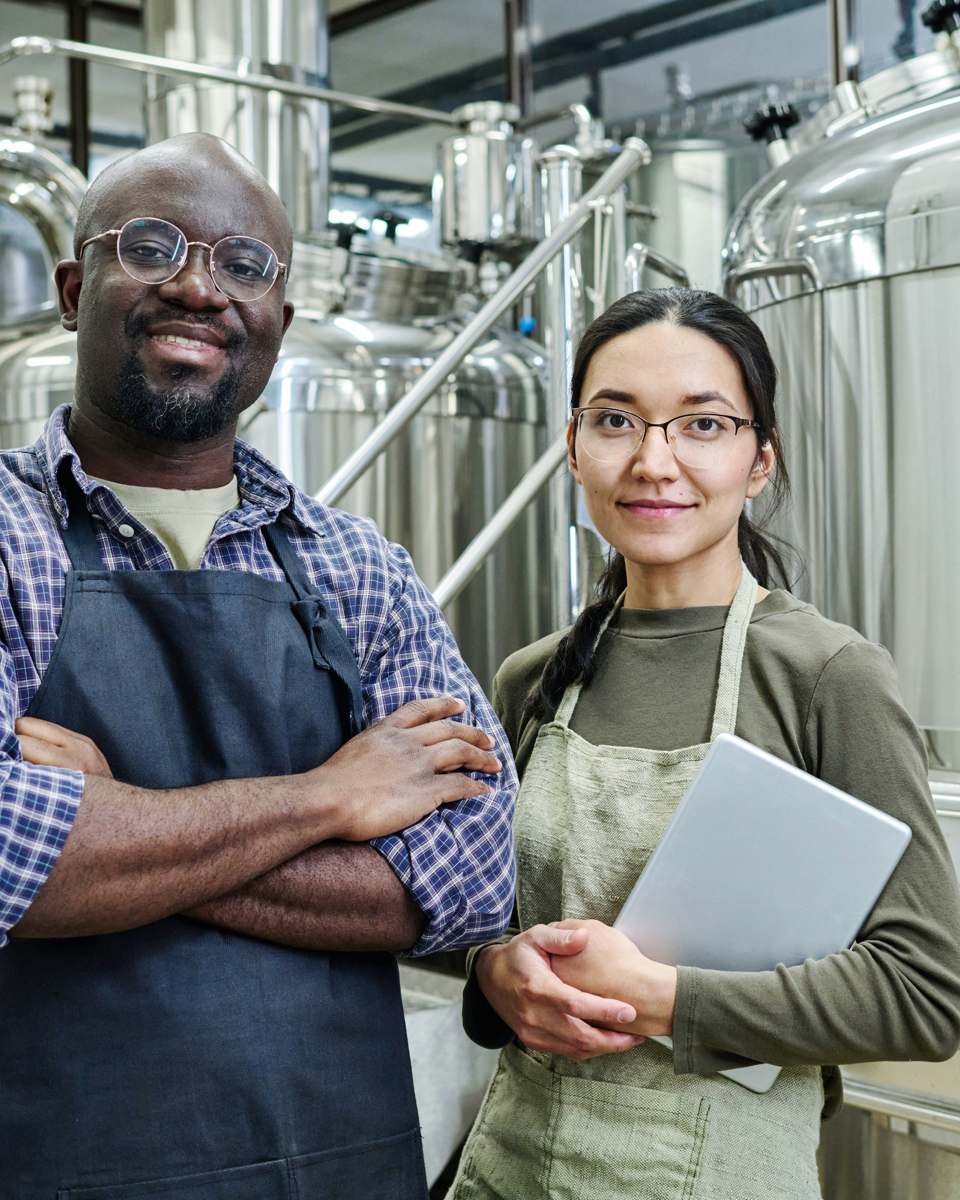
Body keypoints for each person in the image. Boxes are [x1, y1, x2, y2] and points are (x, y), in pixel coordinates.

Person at [0, 132, 518, 1199]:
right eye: (151, 247)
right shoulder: (9, 532)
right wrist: (330, 799)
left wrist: (114, 823)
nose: (199, 286)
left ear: (281, 317)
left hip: (334, 1163)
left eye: (244, 265)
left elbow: (470, 883)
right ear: (70, 287)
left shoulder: (357, 564)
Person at [451, 289, 960, 1199]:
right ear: (573, 446)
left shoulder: (824, 674)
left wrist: (662, 999)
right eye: (617, 421)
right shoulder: (535, 678)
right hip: (513, 1166)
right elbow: (481, 922)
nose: (654, 462)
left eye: (703, 425)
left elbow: (924, 995)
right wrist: (494, 975)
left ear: (759, 459)